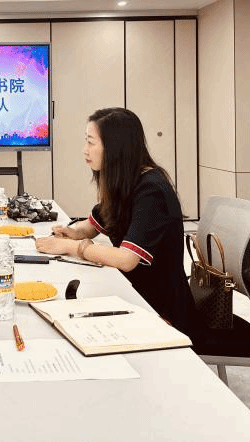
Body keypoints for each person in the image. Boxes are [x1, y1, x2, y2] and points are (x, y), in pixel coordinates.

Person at [35, 107, 197, 340]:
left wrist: (72, 247)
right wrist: (73, 233)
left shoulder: (152, 191)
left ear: (115, 148)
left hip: (160, 310)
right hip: (131, 292)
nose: (84, 150)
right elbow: (94, 224)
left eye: (91, 142)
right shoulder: (125, 180)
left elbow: (126, 259)